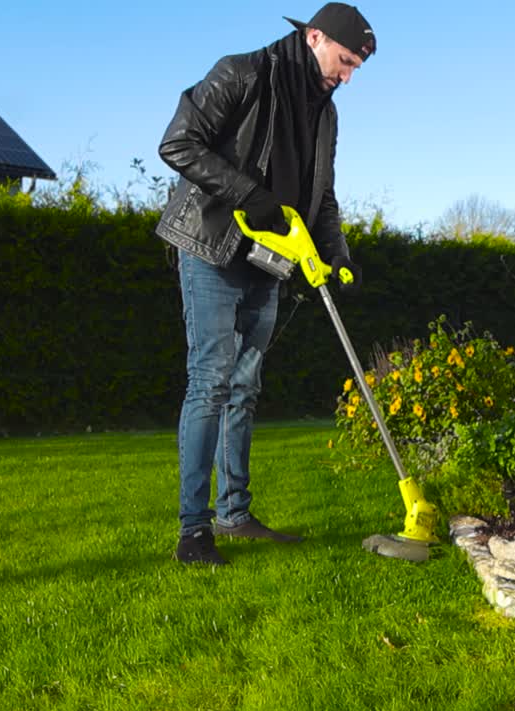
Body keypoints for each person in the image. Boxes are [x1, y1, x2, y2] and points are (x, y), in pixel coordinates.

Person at [155, 3, 374, 565]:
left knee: (245, 387)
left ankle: (235, 513)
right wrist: (249, 196)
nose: (348, 76)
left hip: (269, 259)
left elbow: (322, 194)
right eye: (346, 61)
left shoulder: (325, 113)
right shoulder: (242, 72)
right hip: (211, 245)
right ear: (314, 37)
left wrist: (337, 253)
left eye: (356, 68)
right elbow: (178, 143)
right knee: (211, 381)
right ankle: (193, 531)